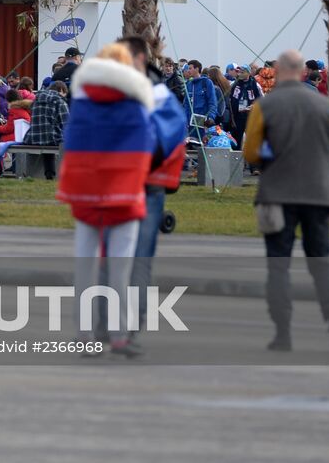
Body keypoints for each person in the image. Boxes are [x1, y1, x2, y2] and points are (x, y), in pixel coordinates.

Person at [242, 49, 329, 353]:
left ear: (277, 71)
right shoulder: (325, 104)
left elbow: (250, 152)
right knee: (321, 261)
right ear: (303, 71)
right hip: (319, 193)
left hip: (277, 193)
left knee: (278, 265)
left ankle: (283, 333)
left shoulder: (265, 105)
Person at [56, 42, 158, 358]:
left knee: (85, 266)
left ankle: (85, 334)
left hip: (85, 194)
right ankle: (120, 335)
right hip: (124, 194)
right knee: (121, 269)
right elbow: (147, 148)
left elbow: (70, 144)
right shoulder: (137, 104)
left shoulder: (83, 103)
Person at [116, 36, 188, 356]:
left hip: (144, 187)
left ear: (140, 59)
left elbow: (168, 137)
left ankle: (127, 329)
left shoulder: (159, 95)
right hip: (116, 187)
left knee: (137, 260)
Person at [24, 81, 69, 180]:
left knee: (47, 137)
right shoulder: (59, 101)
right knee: (62, 140)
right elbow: (66, 124)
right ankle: (63, 175)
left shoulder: (36, 99)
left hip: (32, 138)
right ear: (61, 90)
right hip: (51, 139)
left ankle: (47, 174)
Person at [229, 63, 263, 144]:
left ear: (248, 73)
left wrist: (253, 106)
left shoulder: (255, 84)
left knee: (252, 138)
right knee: (236, 137)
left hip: (250, 115)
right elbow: (229, 99)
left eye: (243, 72)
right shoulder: (234, 84)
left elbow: (261, 99)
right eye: (239, 72)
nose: (240, 74)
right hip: (237, 115)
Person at [183, 60, 218, 135]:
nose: (188, 71)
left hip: (203, 122)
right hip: (190, 124)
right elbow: (186, 104)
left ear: (197, 69)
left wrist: (210, 117)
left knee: (203, 143)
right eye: (188, 69)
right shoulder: (189, 84)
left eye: (190, 68)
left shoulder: (206, 82)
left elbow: (212, 102)